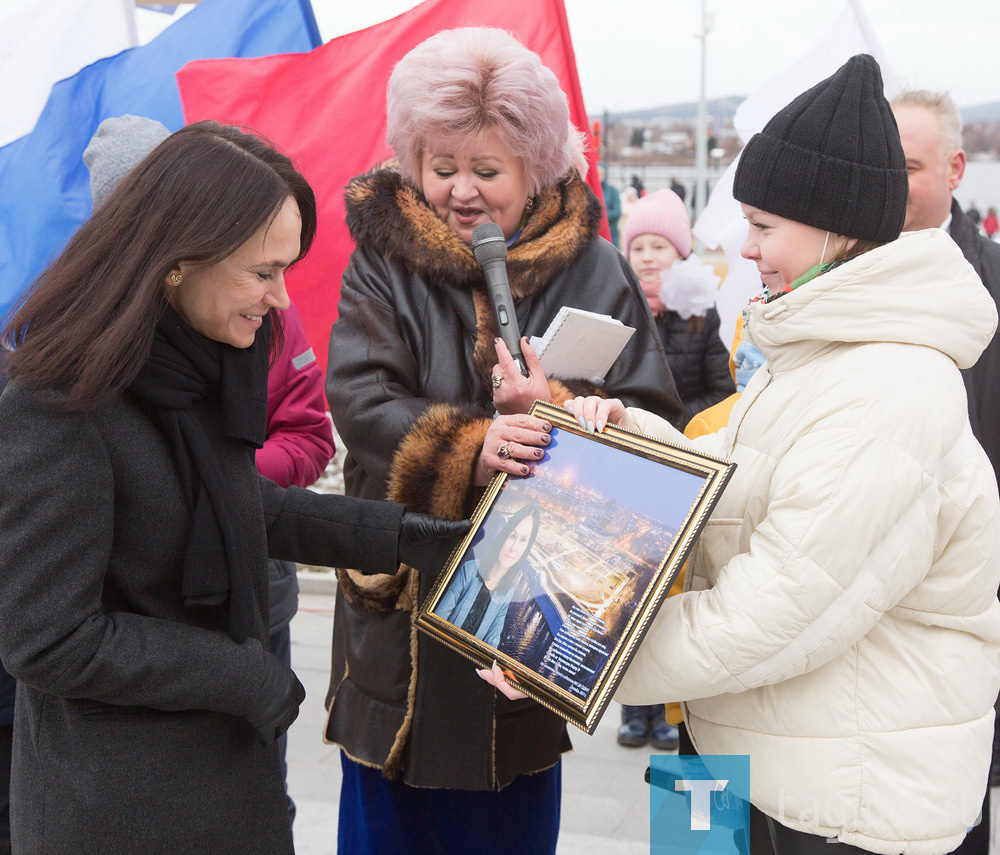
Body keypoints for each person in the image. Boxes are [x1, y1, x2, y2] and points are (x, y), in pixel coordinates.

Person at [552, 55, 1000, 855]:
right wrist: (617, 430)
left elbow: (772, 610)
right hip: (764, 765)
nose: (743, 245)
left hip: (846, 807)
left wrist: (575, 647)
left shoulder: (889, 383)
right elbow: (731, 473)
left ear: (837, 226)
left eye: (763, 225)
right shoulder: (825, 351)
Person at [0, 121, 466, 855]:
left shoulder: (203, 361)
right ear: (177, 262)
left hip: (230, 782)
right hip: (120, 811)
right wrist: (241, 674)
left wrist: (410, 536)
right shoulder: (61, 404)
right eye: (263, 271)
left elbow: (239, 504)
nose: (281, 298)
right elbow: (48, 638)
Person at [324, 26, 681, 855]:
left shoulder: (595, 266)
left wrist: (556, 412)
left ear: (536, 166)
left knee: (505, 818)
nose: (461, 191)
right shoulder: (382, 258)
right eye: (441, 167)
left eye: (487, 171)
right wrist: (472, 447)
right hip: (402, 602)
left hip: (526, 611)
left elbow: (648, 411)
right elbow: (361, 397)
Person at [83, 113, 337, 825]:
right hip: (136, 688)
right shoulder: (65, 375)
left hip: (256, 594)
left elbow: (311, 436)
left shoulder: (254, 325)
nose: (278, 293)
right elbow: (56, 633)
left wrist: (221, 478)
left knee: (256, 789)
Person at [890, 89, 1000, 855]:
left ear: (956, 168)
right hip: (853, 618)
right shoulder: (824, 280)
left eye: (908, 167)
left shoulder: (992, 281)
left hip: (961, 614)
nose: (888, 185)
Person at [624, 188, 735, 426]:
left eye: (659, 247)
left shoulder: (702, 310)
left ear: (680, 252)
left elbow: (723, 392)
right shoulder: (619, 306)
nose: (647, 257)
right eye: (638, 248)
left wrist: (667, 425)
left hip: (685, 439)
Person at [437, 504, 541, 647]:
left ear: (526, 548)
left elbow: (492, 641)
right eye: (512, 536)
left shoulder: (508, 591)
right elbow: (439, 617)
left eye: (523, 540)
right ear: (504, 536)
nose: (513, 548)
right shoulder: (470, 569)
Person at [597, 161, 621, 247]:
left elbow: (617, 212)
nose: (599, 176)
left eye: (601, 173)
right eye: (597, 173)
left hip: (611, 233)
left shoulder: (613, 191)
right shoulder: (589, 190)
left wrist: (599, 214)